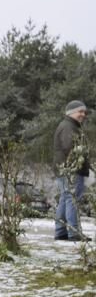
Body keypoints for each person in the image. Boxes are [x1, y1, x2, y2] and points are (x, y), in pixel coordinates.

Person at [53, 100, 91, 241]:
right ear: (71, 113)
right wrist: (81, 162)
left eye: (84, 112)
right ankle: (74, 232)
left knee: (65, 198)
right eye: (80, 111)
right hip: (71, 169)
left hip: (65, 169)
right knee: (72, 199)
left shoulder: (70, 126)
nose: (83, 114)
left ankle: (61, 231)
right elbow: (71, 148)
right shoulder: (69, 127)